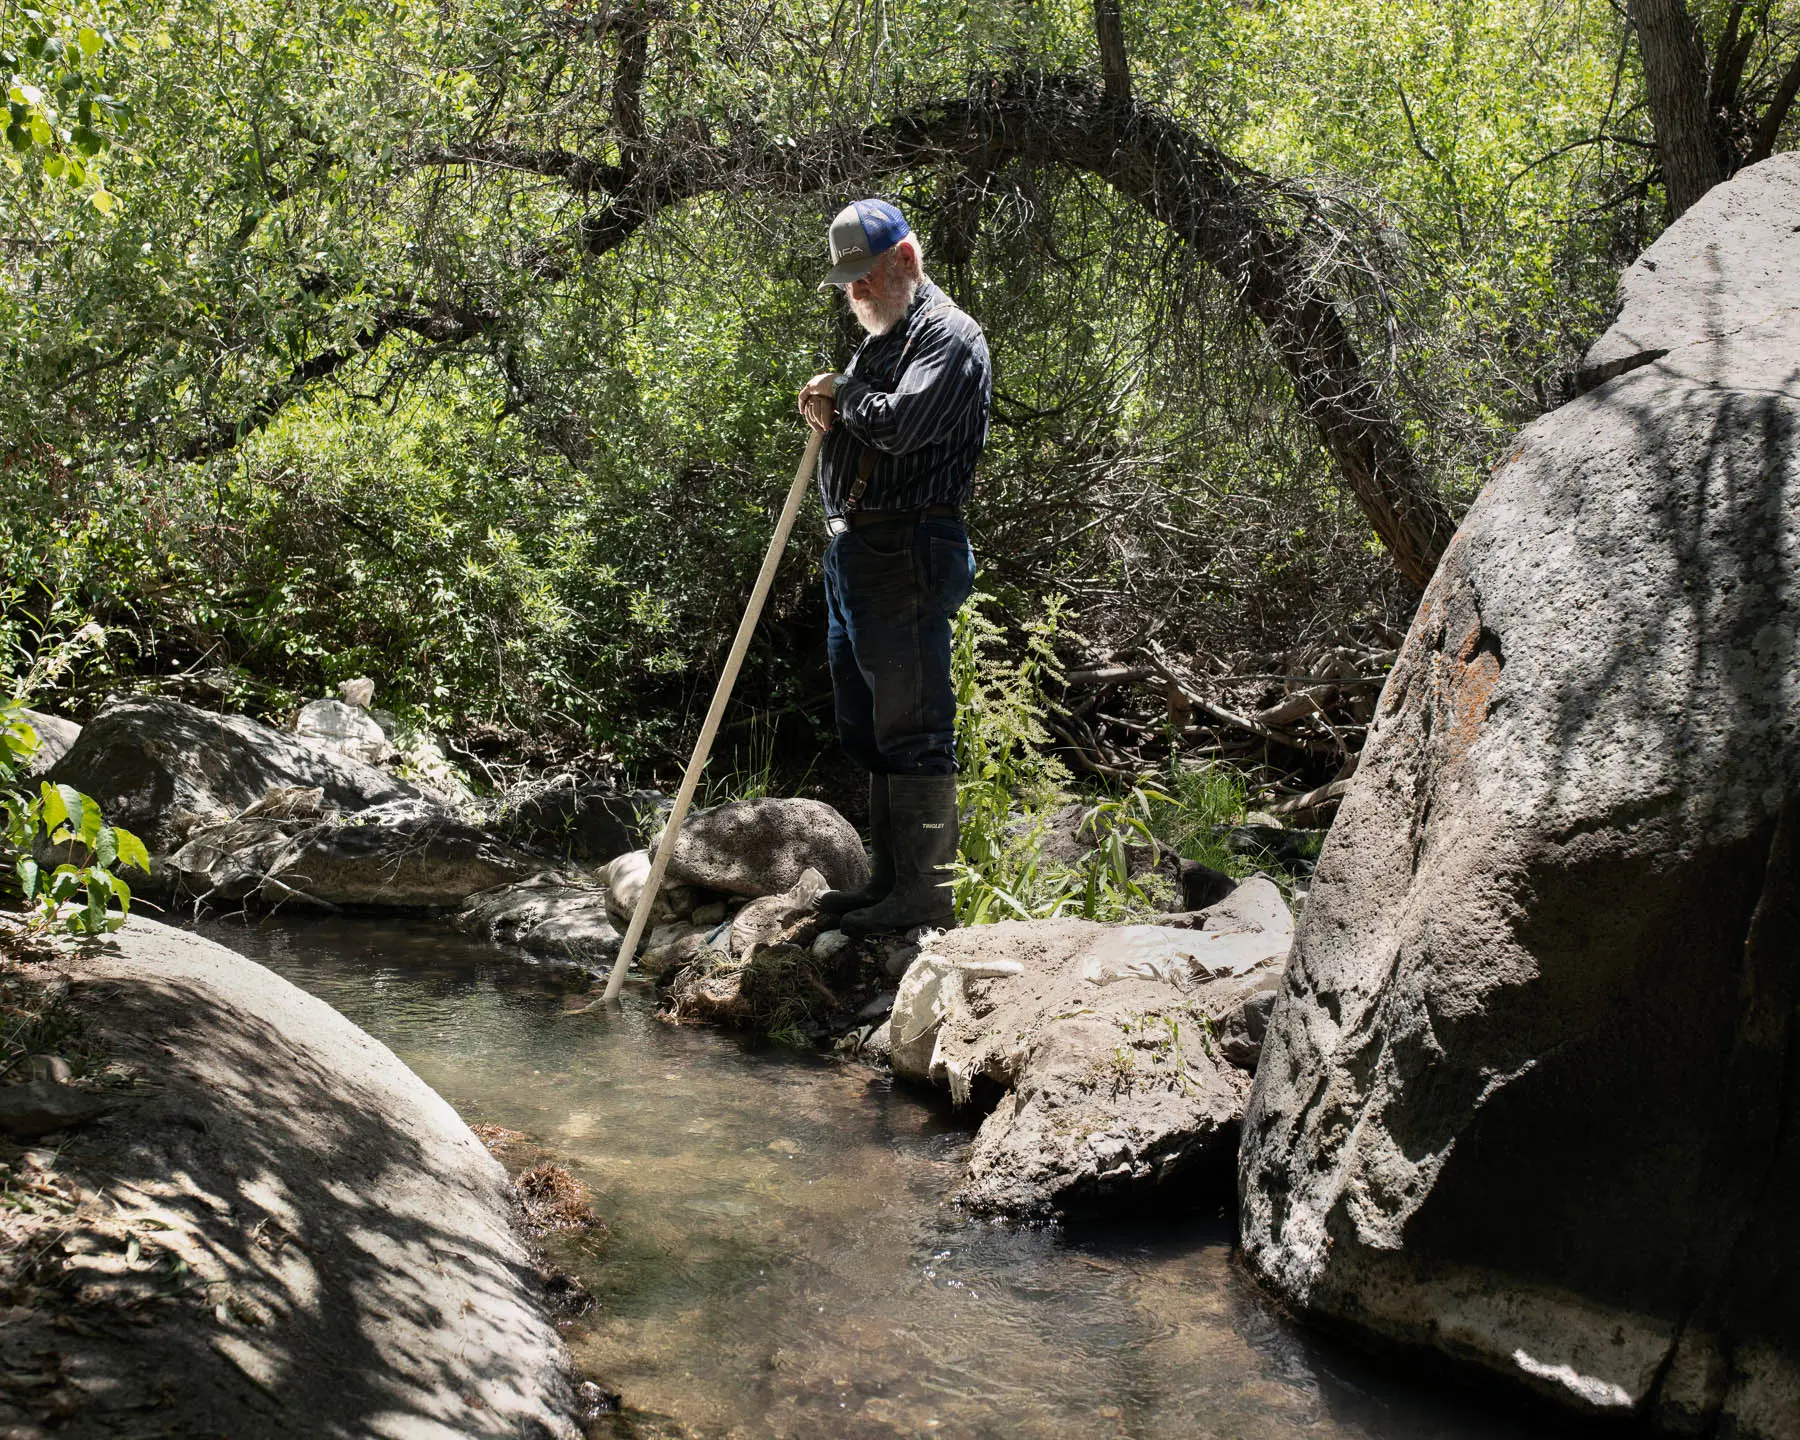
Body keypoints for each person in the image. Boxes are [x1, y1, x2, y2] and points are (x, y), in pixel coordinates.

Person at [796, 198, 992, 935]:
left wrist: (842, 394)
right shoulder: (886, 336)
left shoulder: (949, 335)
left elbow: (903, 423)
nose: (856, 295)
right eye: (848, 284)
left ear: (906, 260)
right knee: (868, 724)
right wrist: (833, 395)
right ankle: (887, 885)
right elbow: (863, 410)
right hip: (858, 551)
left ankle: (924, 900)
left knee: (912, 724)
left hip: (909, 546)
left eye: (866, 279)